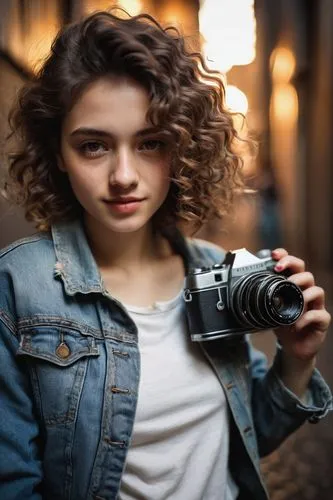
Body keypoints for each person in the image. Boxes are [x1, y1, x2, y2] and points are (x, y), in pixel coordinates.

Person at [0, 10, 331, 500]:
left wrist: (297, 359)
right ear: (58, 156)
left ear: (181, 148)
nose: (124, 176)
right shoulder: (19, 286)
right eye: (94, 146)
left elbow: (248, 434)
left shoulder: (214, 271)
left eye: (150, 143)